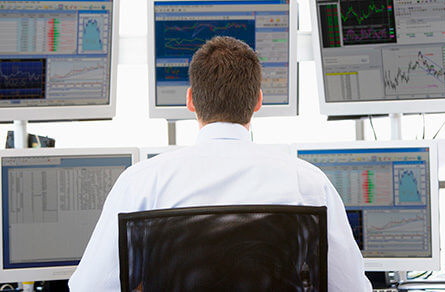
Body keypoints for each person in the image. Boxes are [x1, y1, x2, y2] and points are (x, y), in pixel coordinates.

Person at [69, 36, 372, 291]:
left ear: (190, 100)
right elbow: (351, 287)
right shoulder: (308, 183)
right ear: (257, 101)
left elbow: (89, 288)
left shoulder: (140, 184)